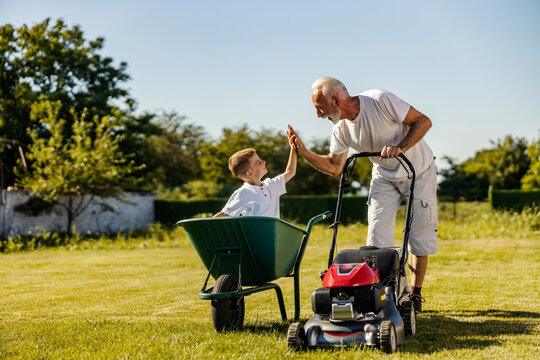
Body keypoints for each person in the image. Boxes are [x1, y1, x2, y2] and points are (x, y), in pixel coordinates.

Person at [288, 77, 437, 313]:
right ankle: (382, 294)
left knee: (419, 237)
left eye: (320, 107)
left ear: (336, 100)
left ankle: (414, 295)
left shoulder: (380, 100)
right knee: (376, 240)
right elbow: (335, 166)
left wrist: (401, 147)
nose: (318, 114)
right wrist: (304, 152)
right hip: (383, 175)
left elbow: (423, 121)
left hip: (418, 169)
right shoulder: (341, 129)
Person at [213, 125, 297, 218]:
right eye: (258, 162)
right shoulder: (243, 193)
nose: (263, 162)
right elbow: (225, 213)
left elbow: (290, 172)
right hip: (253, 233)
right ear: (249, 173)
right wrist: (203, 225)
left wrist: (293, 149)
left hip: (271, 233)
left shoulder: (272, 185)